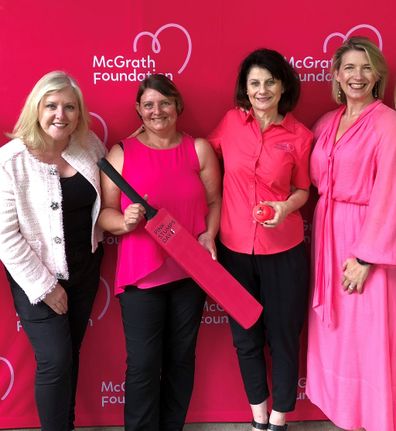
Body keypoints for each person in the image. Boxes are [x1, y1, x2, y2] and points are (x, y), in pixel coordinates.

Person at [98, 74, 221, 431]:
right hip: (141, 277)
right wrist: (125, 221)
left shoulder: (198, 149)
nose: (157, 111)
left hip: (190, 273)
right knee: (143, 365)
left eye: (165, 103)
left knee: (181, 360)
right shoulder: (121, 153)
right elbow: (105, 213)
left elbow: (214, 201)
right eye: (149, 104)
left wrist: (209, 236)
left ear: (177, 106)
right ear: (138, 109)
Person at [208, 49, 313, 430]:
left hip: (283, 253)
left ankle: (279, 418)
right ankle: (257, 418)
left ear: (283, 85)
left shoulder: (300, 136)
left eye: (270, 81)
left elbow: (303, 189)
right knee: (245, 338)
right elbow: (201, 155)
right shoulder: (231, 123)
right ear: (245, 89)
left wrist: (286, 208)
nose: (262, 89)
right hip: (235, 252)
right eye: (255, 83)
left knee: (284, 338)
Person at [0, 71, 105, 431]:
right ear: (37, 108)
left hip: (85, 271)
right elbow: (5, 236)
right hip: (36, 278)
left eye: (69, 107)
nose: (60, 114)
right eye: (52, 106)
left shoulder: (88, 145)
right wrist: (46, 287)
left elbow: (109, 186)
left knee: (70, 356)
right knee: (55, 361)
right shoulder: (10, 160)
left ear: (79, 113)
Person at [306, 37, 396, 431]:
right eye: (348, 68)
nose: (356, 76)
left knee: (367, 331)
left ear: (377, 74)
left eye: (365, 68)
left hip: (366, 239)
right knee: (338, 329)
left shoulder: (388, 124)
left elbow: (391, 194)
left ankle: (375, 417)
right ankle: (345, 413)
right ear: (336, 76)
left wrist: (366, 257)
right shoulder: (325, 122)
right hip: (327, 233)